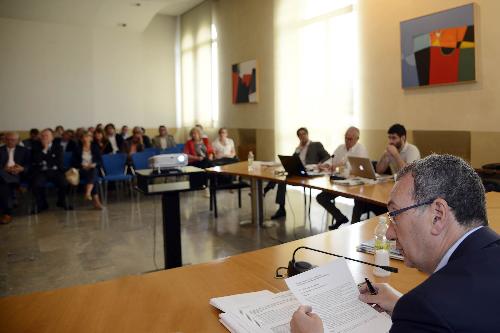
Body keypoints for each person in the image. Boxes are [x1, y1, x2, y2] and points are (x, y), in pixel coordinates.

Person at [290, 154, 500, 332]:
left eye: (394, 215)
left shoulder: (426, 309)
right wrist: (401, 305)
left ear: (437, 216)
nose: (389, 233)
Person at [352, 123, 421, 224]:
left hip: (408, 192)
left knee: (384, 206)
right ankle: (356, 225)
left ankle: (387, 226)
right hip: (392, 188)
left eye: (394, 138)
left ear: (403, 138)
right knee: (360, 200)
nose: (391, 141)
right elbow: (379, 170)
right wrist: (384, 156)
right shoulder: (392, 149)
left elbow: (408, 174)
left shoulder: (412, 150)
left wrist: (396, 155)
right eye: (389, 138)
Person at [266, 127, 329, 220]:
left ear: (307, 134)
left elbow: (327, 156)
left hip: (309, 172)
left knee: (282, 177)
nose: (302, 136)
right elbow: (292, 161)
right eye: (300, 135)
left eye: (304, 134)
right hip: (298, 171)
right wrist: (298, 150)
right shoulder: (298, 148)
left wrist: (319, 164)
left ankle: (265, 190)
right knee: (280, 177)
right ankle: (281, 208)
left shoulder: (316, 144)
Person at [316, 127, 369, 229]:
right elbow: (332, 159)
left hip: (356, 186)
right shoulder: (341, 147)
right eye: (346, 138)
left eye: (350, 139)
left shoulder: (360, 149)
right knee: (321, 197)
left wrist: (340, 164)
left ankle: (354, 227)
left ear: (357, 139)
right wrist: (326, 165)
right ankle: (340, 217)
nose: (347, 141)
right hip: (341, 183)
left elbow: (358, 169)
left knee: (358, 202)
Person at [30, 128, 72, 213]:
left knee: (64, 183)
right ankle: (42, 204)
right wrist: (45, 149)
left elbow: (58, 161)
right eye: (42, 135)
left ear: (52, 137)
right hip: (41, 171)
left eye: (47, 135)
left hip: (56, 171)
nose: (44, 137)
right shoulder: (35, 146)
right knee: (37, 184)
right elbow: (36, 160)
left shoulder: (58, 147)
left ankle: (61, 201)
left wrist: (43, 157)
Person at [0, 132, 30, 224]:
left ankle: (7, 213)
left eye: (13, 140)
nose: (10, 141)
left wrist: (22, 168)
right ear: (4, 140)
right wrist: (4, 168)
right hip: (3, 174)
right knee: (4, 184)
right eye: (8, 139)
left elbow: (30, 165)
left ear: (18, 140)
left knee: (3, 184)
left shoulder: (24, 150)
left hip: (18, 175)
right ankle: (7, 212)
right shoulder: (0, 150)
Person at [73, 131, 103, 209]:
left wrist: (94, 164)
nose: (86, 138)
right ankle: (95, 200)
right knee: (94, 178)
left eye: (88, 136)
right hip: (82, 170)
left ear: (91, 138)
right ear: (81, 139)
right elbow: (74, 162)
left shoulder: (95, 147)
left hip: (92, 168)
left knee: (93, 172)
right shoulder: (77, 148)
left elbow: (99, 160)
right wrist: (82, 165)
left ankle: (88, 193)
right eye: (84, 137)